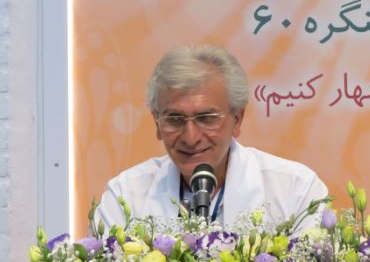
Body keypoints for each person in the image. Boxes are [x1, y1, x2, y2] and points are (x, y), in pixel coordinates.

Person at [96, 44, 328, 232]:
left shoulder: (295, 190)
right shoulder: (125, 195)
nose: (191, 137)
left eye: (206, 118)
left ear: (237, 119)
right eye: (174, 119)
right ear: (157, 123)